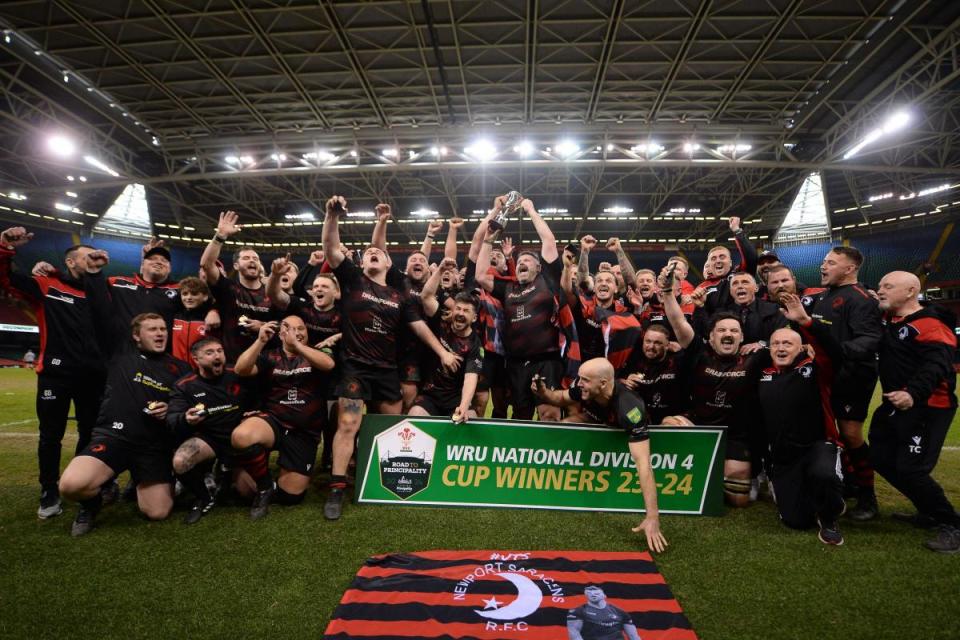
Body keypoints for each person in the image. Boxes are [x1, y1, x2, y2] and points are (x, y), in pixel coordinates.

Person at [320, 195, 462, 520]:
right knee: (348, 424)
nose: (373, 253)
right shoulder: (353, 279)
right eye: (368, 252)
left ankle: (383, 482)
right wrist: (332, 216)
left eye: (379, 253)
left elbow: (418, 327)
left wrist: (442, 352)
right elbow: (331, 246)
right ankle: (337, 489)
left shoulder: (399, 295)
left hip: (388, 372)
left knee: (392, 429)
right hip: (355, 369)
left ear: (388, 265)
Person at [58, 286, 191, 535]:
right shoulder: (120, 353)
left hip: (153, 445)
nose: (160, 333)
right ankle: (91, 503)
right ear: (136, 336)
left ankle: (147, 480)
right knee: (70, 485)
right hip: (114, 437)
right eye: (153, 329)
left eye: (163, 329)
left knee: (158, 512)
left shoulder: (180, 368)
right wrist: (94, 277)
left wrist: (171, 408)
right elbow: (101, 314)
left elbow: (187, 403)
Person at [0, 226, 105, 519]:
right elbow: (5, 279)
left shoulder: (103, 293)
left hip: (94, 377)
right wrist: (5, 249)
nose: (94, 260)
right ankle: (49, 489)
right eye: (88, 256)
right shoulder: (47, 285)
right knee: (50, 436)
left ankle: (81, 480)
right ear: (70, 262)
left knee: (90, 432)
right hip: (56, 376)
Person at [533, 358, 667, 552]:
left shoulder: (629, 408)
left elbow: (643, 464)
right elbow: (560, 398)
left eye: (585, 380)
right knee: (566, 425)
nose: (579, 384)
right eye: (580, 379)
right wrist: (543, 391)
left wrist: (652, 517)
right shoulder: (586, 388)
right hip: (600, 420)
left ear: (603, 383)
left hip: (629, 431)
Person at [659, 267, 764, 507]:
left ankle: (728, 470)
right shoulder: (699, 351)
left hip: (737, 434)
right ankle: (695, 471)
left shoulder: (755, 357)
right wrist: (666, 292)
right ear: (712, 336)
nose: (728, 334)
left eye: (734, 331)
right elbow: (677, 322)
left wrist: (803, 348)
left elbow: (785, 346)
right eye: (722, 330)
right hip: (700, 423)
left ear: (741, 336)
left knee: (738, 501)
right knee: (668, 426)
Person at [872, 271, 959, 553]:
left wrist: (912, 393)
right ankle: (928, 510)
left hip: (927, 407)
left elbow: (937, 365)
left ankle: (952, 524)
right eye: (880, 285)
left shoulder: (931, 324)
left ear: (911, 291)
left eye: (888, 286)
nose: (881, 290)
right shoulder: (891, 321)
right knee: (881, 459)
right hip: (895, 405)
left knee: (912, 469)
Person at [761, 294, 847, 545]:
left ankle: (829, 514)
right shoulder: (763, 373)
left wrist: (806, 322)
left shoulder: (816, 370)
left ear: (801, 348)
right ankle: (810, 497)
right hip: (784, 457)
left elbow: (834, 352)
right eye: (776, 344)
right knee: (795, 521)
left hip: (817, 447)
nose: (781, 348)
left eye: (788, 343)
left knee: (823, 474)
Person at [231, 316, 335, 520]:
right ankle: (264, 487)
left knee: (291, 497)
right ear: (280, 334)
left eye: (301, 328)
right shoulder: (270, 356)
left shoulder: (319, 351)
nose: (297, 332)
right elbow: (240, 369)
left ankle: (259, 477)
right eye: (290, 328)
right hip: (274, 422)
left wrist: (297, 344)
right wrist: (260, 341)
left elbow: (328, 364)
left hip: (305, 432)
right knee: (242, 436)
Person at [476, 196, 569, 421]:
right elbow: (480, 276)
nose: (521, 263)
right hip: (516, 363)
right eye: (518, 261)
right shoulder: (508, 287)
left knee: (549, 414)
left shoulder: (548, 280)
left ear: (539, 267)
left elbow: (548, 240)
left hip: (547, 360)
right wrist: (488, 241)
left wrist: (530, 210)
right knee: (520, 416)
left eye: (527, 260)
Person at [811, 246, 882, 520]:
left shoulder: (862, 299)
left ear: (850, 268)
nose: (823, 266)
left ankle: (868, 498)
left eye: (830, 262)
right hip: (827, 374)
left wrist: (838, 352)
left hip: (853, 375)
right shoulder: (827, 296)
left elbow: (870, 339)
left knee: (851, 433)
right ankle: (850, 484)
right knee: (834, 431)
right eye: (823, 261)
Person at [166, 337, 244, 524]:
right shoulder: (185, 385)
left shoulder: (239, 373)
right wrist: (186, 419)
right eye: (210, 353)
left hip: (239, 438)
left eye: (220, 351)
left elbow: (261, 395)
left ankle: (226, 472)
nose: (217, 356)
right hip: (210, 439)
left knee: (247, 492)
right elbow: (171, 419)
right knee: (180, 461)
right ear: (196, 359)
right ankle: (203, 497)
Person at [409, 261, 484, 422]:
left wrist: (464, 406)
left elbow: (471, 378)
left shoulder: (475, 344)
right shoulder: (440, 322)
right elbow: (426, 296)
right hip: (430, 395)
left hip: (455, 398)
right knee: (414, 416)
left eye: (466, 311)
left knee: (471, 418)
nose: (460, 313)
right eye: (458, 308)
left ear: (474, 317)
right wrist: (441, 270)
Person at [200, 211, 275, 361]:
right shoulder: (228, 288)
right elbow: (206, 265)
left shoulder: (272, 293)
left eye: (256, 258)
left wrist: (263, 325)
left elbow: (285, 323)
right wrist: (220, 236)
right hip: (232, 361)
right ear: (236, 265)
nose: (252, 261)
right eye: (246, 258)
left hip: (265, 363)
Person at [620, 324, 689, 424]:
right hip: (642, 418)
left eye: (657, 343)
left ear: (667, 346)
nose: (651, 346)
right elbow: (616, 383)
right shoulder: (634, 361)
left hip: (670, 419)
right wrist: (626, 382)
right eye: (648, 341)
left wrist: (681, 352)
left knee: (668, 423)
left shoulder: (678, 363)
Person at [567, 585, 640, 640]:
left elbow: (633, 636)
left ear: (604, 595)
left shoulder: (620, 612)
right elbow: (574, 634)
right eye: (589, 593)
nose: (593, 595)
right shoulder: (577, 611)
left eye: (597, 593)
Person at [171, 276, 213, 364]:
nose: (189, 297)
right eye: (185, 294)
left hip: (202, 371)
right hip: (178, 371)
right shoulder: (176, 316)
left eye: (194, 294)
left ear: (205, 297)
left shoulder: (211, 318)